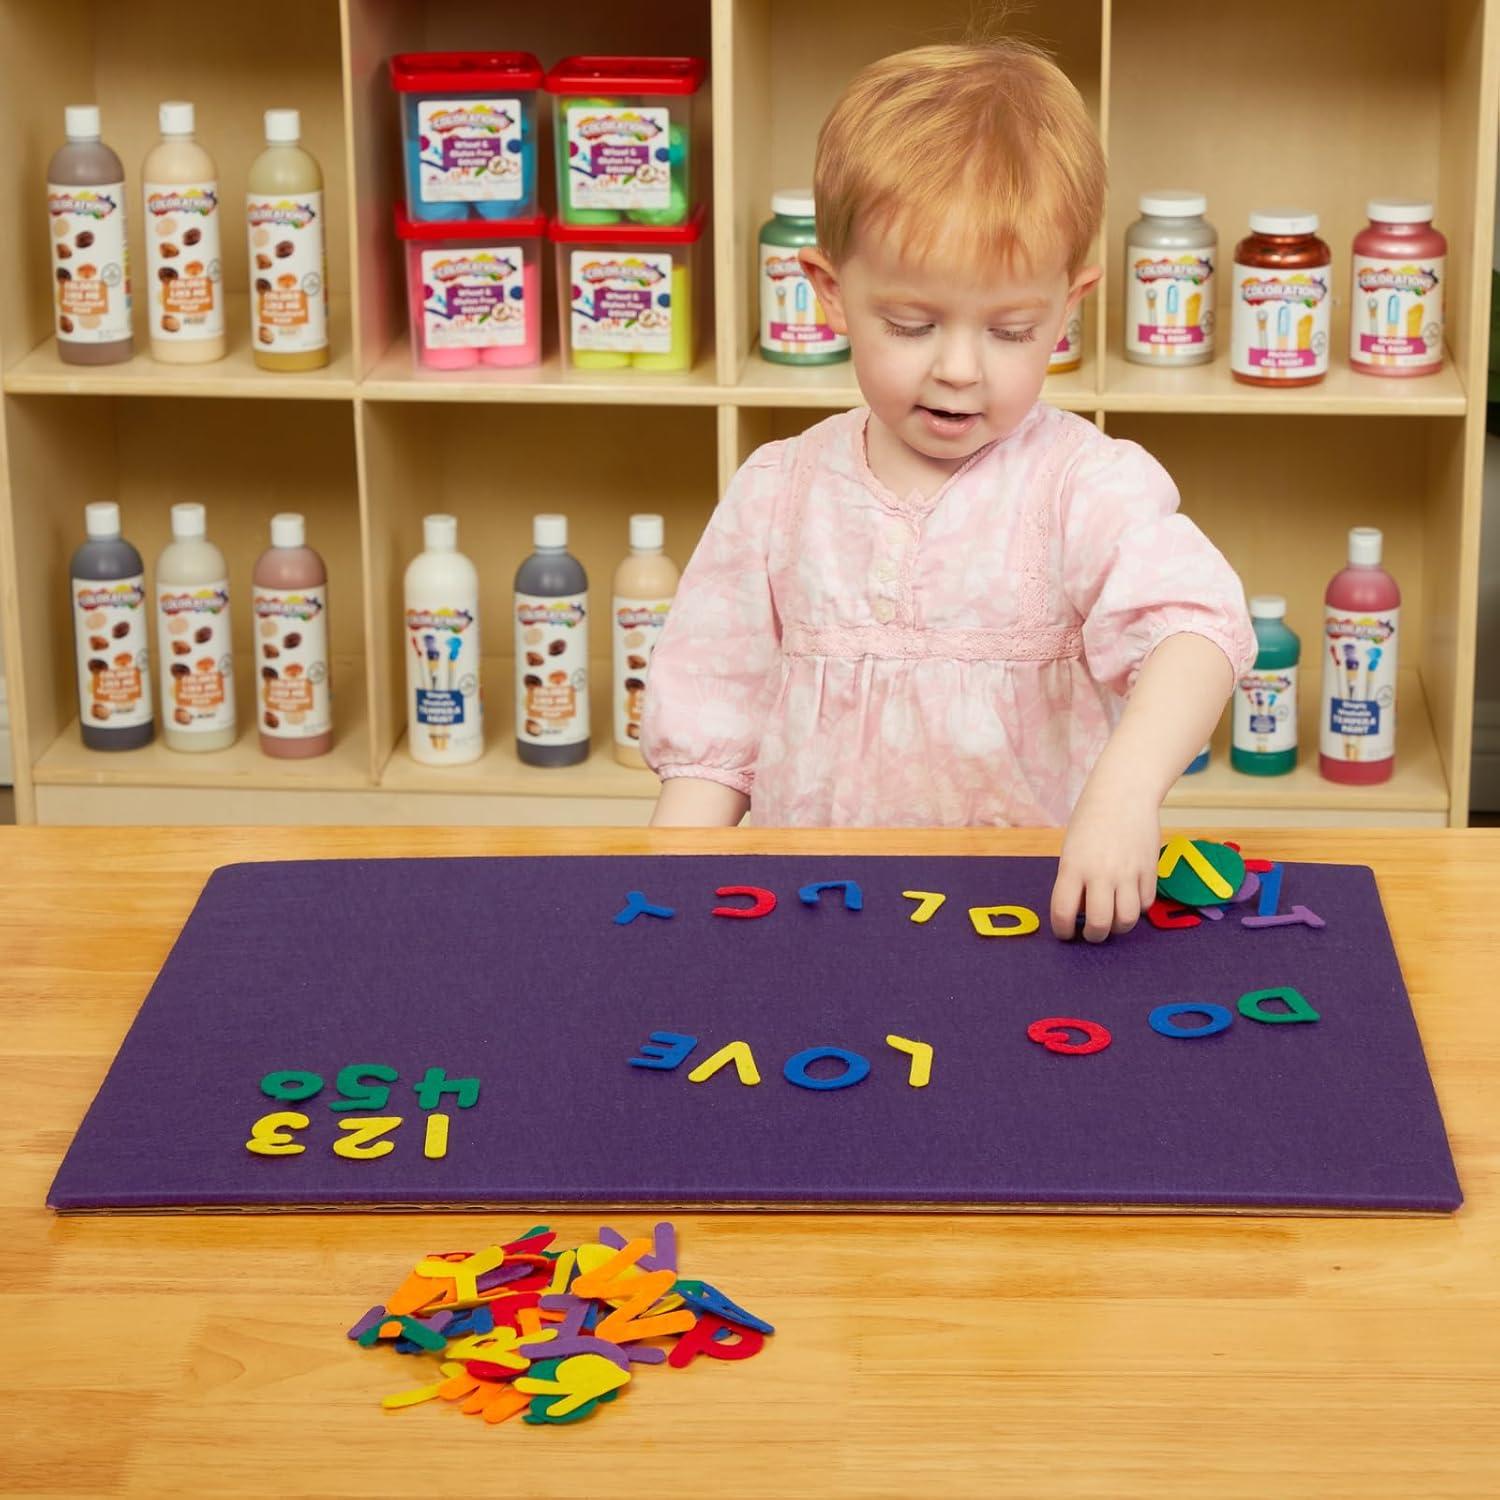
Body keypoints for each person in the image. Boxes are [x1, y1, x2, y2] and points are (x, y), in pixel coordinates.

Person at [640, 40, 1254, 943]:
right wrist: (660, 905)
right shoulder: (779, 492)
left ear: (1068, 307)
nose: (960, 369)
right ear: (829, 292)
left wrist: (1126, 796)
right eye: (910, 323)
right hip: (813, 926)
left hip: (1029, 927)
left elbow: (1195, 631)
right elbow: (712, 735)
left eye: (1011, 331)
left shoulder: (1083, 483)